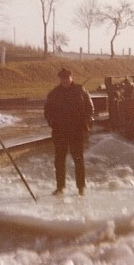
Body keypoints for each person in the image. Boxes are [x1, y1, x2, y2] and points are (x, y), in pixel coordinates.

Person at [44, 68, 94, 196]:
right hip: (60, 131)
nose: (65, 80)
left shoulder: (80, 90)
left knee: (78, 159)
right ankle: (60, 187)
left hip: (76, 131)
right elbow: (47, 111)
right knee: (59, 160)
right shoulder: (54, 93)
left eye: (67, 78)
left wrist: (86, 124)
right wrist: (52, 123)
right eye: (62, 78)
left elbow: (90, 108)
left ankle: (81, 187)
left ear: (71, 77)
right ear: (60, 79)